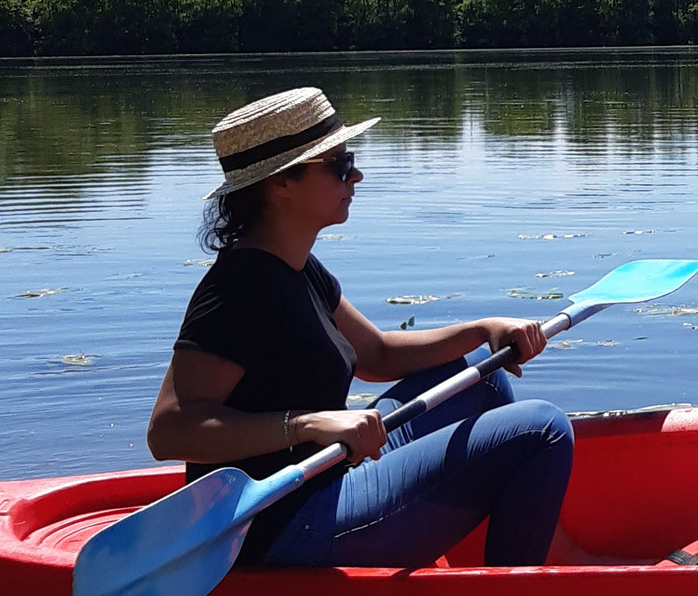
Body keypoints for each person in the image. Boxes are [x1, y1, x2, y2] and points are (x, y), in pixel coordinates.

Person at [147, 86, 575, 568]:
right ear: (281, 182)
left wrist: (483, 329)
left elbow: (378, 355)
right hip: (285, 520)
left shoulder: (297, 267)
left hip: (328, 473)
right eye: (339, 164)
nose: (357, 175)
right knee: (544, 429)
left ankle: (545, 549)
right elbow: (169, 431)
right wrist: (306, 424)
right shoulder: (237, 289)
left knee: (484, 375)